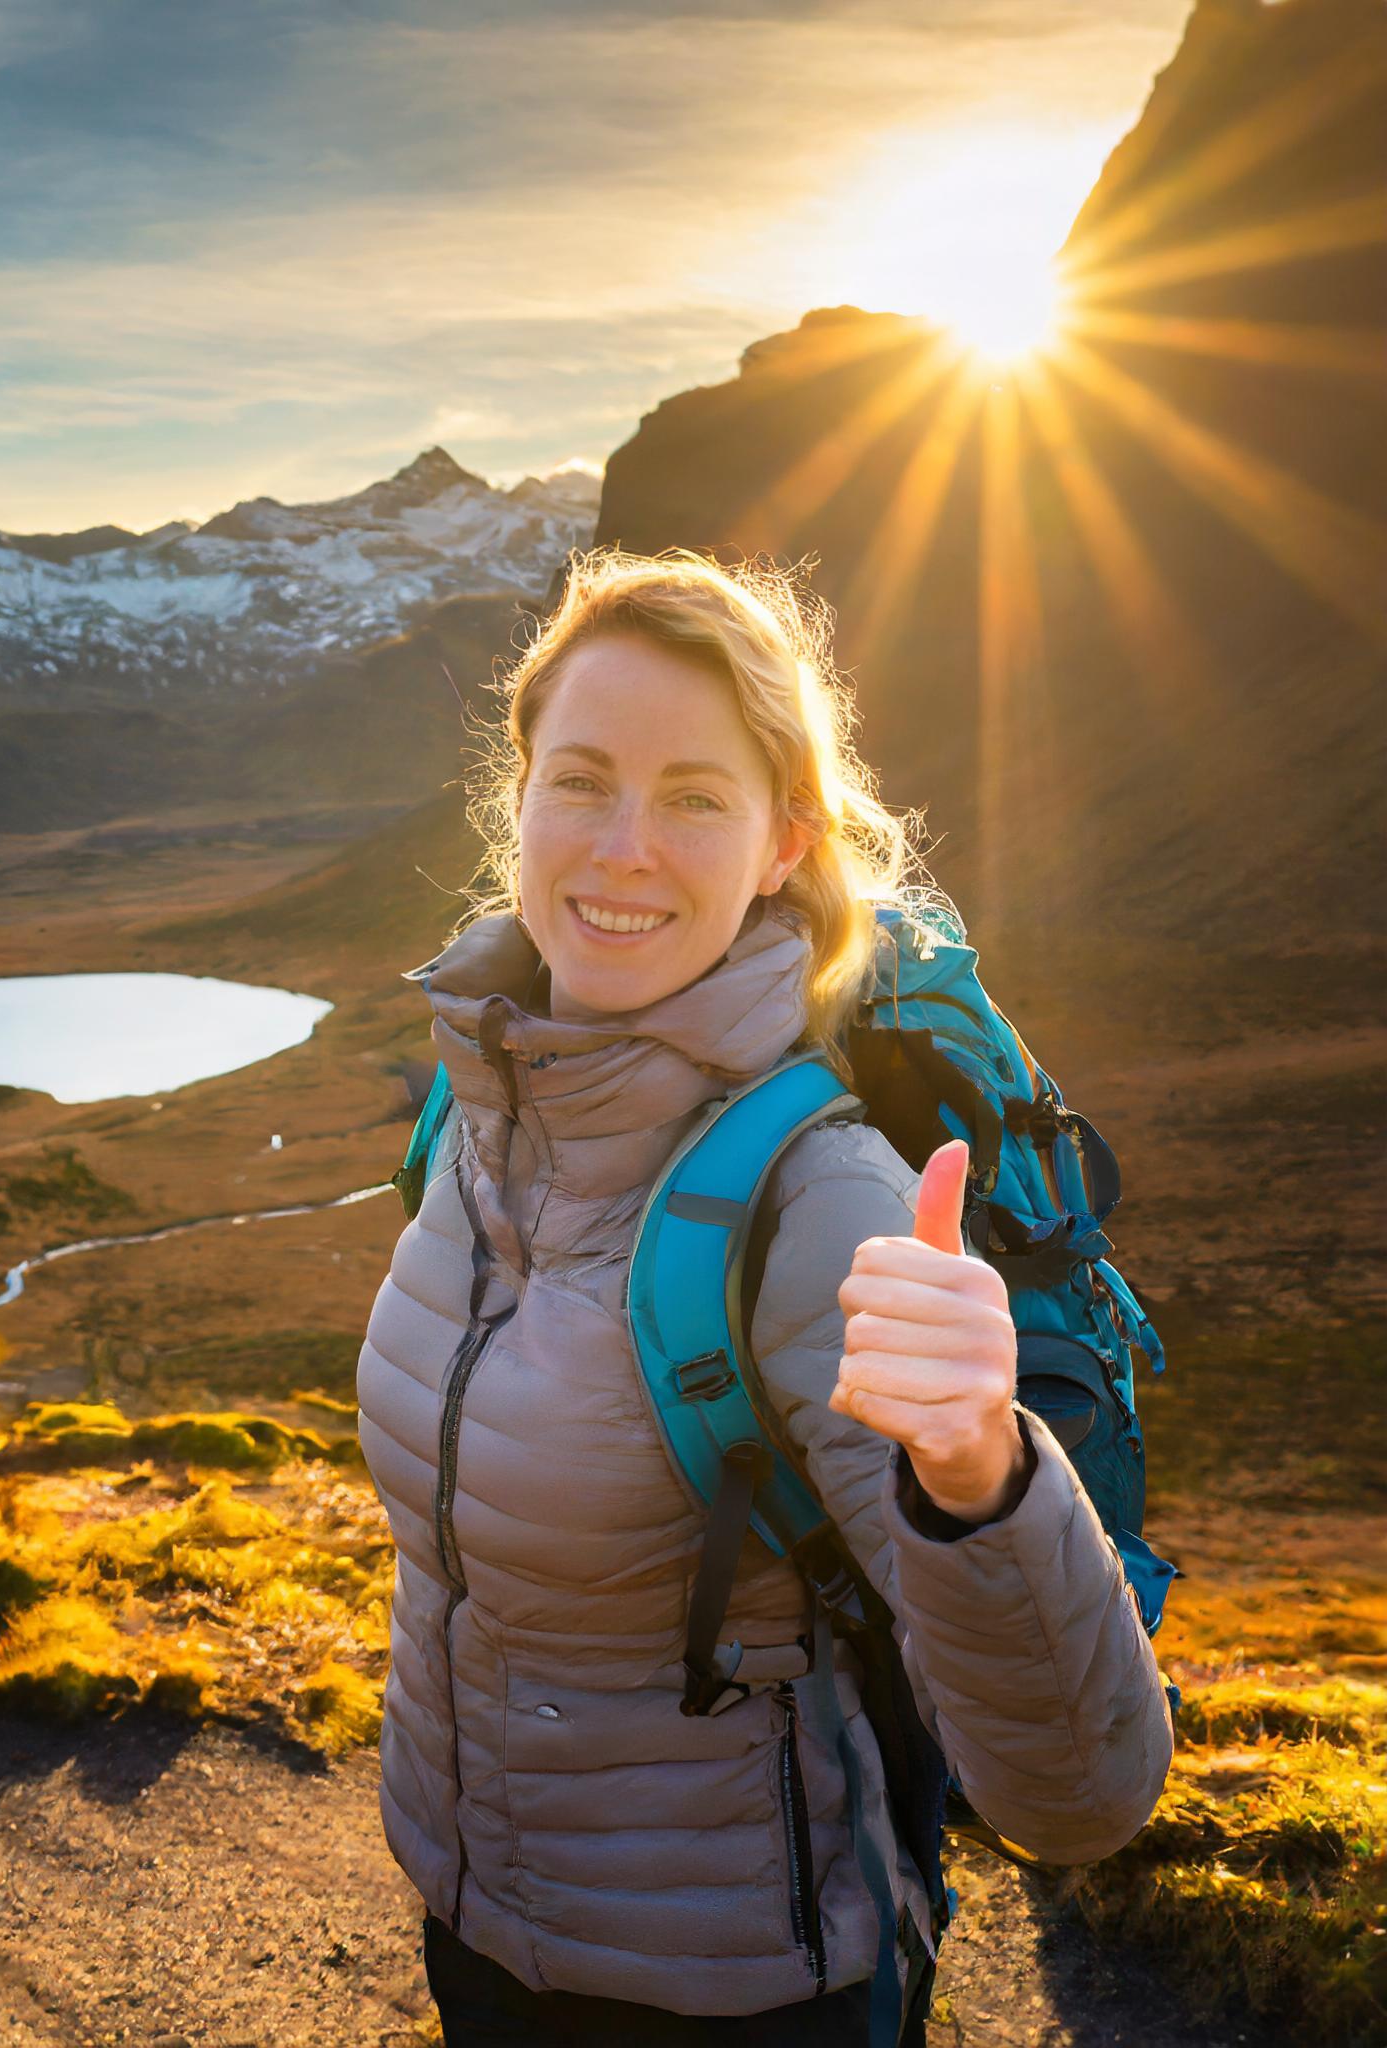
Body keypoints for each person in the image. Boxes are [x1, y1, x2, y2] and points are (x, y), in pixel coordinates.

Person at [354, 547, 1174, 2046]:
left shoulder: (821, 1206)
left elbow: (1081, 1800)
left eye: (694, 798)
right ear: (517, 799)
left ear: (785, 842)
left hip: (741, 1991)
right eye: (581, 779)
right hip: (474, 1925)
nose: (619, 850)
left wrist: (978, 1474)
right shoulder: (478, 1112)